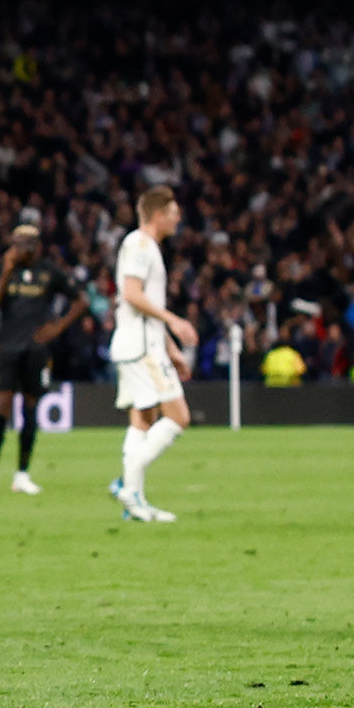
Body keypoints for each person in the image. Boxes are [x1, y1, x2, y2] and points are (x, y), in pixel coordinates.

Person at [0, 222, 86, 496]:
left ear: (37, 246)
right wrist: (7, 270)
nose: (24, 250)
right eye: (19, 244)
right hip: (7, 347)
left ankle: (22, 474)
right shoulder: (0, 269)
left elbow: (81, 300)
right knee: (1, 407)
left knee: (30, 408)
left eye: (29, 245)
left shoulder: (49, 271)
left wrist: (57, 327)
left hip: (36, 350)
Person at [107, 186, 196, 523]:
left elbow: (143, 305)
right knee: (179, 417)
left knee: (143, 420)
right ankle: (127, 486)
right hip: (143, 347)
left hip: (139, 343)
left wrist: (171, 349)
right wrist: (174, 322)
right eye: (173, 212)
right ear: (158, 214)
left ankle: (136, 503)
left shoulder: (144, 246)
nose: (177, 218)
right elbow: (132, 293)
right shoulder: (141, 245)